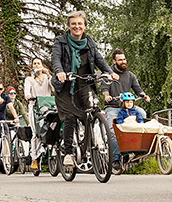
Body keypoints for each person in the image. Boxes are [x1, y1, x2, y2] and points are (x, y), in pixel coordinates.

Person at [51, 11, 118, 168]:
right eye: (73, 23)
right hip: (65, 85)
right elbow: (55, 58)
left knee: (89, 113)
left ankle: (87, 148)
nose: (77, 26)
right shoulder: (60, 41)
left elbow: (99, 60)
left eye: (80, 23)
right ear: (68, 26)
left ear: (85, 26)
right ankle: (68, 153)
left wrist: (110, 72)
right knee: (70, 117)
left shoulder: (89, 42)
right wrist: (60, 72)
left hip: (84, 83)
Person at [102, 49, 149, 123]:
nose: (123, 62)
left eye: (124, 59)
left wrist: (144, 96)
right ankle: (112, 134)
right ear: (114, 61)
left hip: (127, 106)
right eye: (120, 60)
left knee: (142, 113)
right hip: (113, 106)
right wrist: (107, 96)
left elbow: (138, 90)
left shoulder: (130, 75)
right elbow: (105, 88)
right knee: (112, 127)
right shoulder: (108, 74)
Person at [22, 60, 52, 171]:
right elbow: (27, 91)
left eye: (38, 63)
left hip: (47, 107)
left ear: (42, 65)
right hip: (34, 107)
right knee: (35, 132)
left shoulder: (47, 78)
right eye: (34, 64)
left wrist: (48, 75)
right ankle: (34, 158)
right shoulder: (29, 79)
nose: (36, 65)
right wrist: (28, 96)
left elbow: (54, 88)